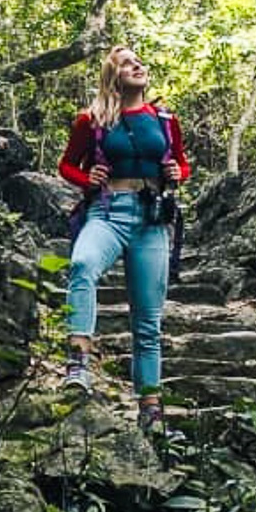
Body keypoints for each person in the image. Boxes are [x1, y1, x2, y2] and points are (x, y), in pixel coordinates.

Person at [58, 45, 191, 433]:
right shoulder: (92, 120)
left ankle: (150, 411)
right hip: (107, 212)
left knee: (147, 321)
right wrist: (87, 179)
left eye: (139, 62)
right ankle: (79, 362)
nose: (137, 66)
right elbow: (67, 163)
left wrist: (177, 173)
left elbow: (181, 163)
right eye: (127, 63)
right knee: (82, 264)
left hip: (151, 220)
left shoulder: (165, 118)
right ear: (112, 75)